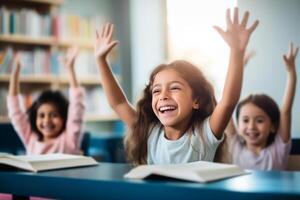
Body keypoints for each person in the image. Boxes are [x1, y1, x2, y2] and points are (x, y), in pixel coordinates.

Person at [94, 8, 258, 165]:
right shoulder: (151, 133)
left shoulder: (205, 134)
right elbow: (119, 103)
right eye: (156, 90)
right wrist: (101, 61)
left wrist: (236, 51)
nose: (163, 95)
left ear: (196, 100)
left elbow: (228, 101)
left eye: (174, 88)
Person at [227, 43, 298, 170]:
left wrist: (291, 72)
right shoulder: (234, 145)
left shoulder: (279, 149)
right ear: (237, 124)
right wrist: (239, 66)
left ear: (273, 127)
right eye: (245, 120)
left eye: (259, 120)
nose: (251, 126)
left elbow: (286, 110)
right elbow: (227, 103)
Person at [7, 47, 86, 155]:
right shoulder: (30, 139)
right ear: (35, 118)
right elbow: (15, 111)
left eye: (54, 115)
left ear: (64, 118)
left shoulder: (69, 140)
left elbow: (77, 107)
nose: (47, 120)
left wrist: (70, 69)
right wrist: (15, 74)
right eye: (41, 115)